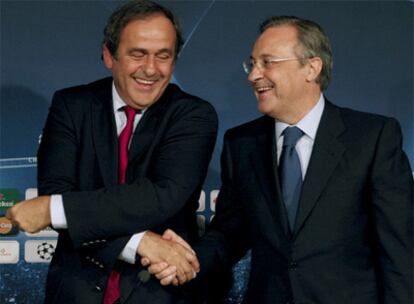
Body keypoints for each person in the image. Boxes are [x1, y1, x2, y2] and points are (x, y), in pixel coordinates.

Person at [148, 15, 413, 304]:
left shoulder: (372, 138)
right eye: (252, 64)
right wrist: (188, 258)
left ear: (311, 68)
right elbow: (229, 233)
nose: (253, 75)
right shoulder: (242, 144)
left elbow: (400, 253)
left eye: (267, 62)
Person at [6, 0, 217, 303]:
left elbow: (161, 196)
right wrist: (140, 242)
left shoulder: (193, 115)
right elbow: (59, 190)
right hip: (75, 290)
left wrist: (53, 209)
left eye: (163, 56)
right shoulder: (71, 106)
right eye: (137, 54)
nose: (150, 69)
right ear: (109, 55)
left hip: (159, 290)